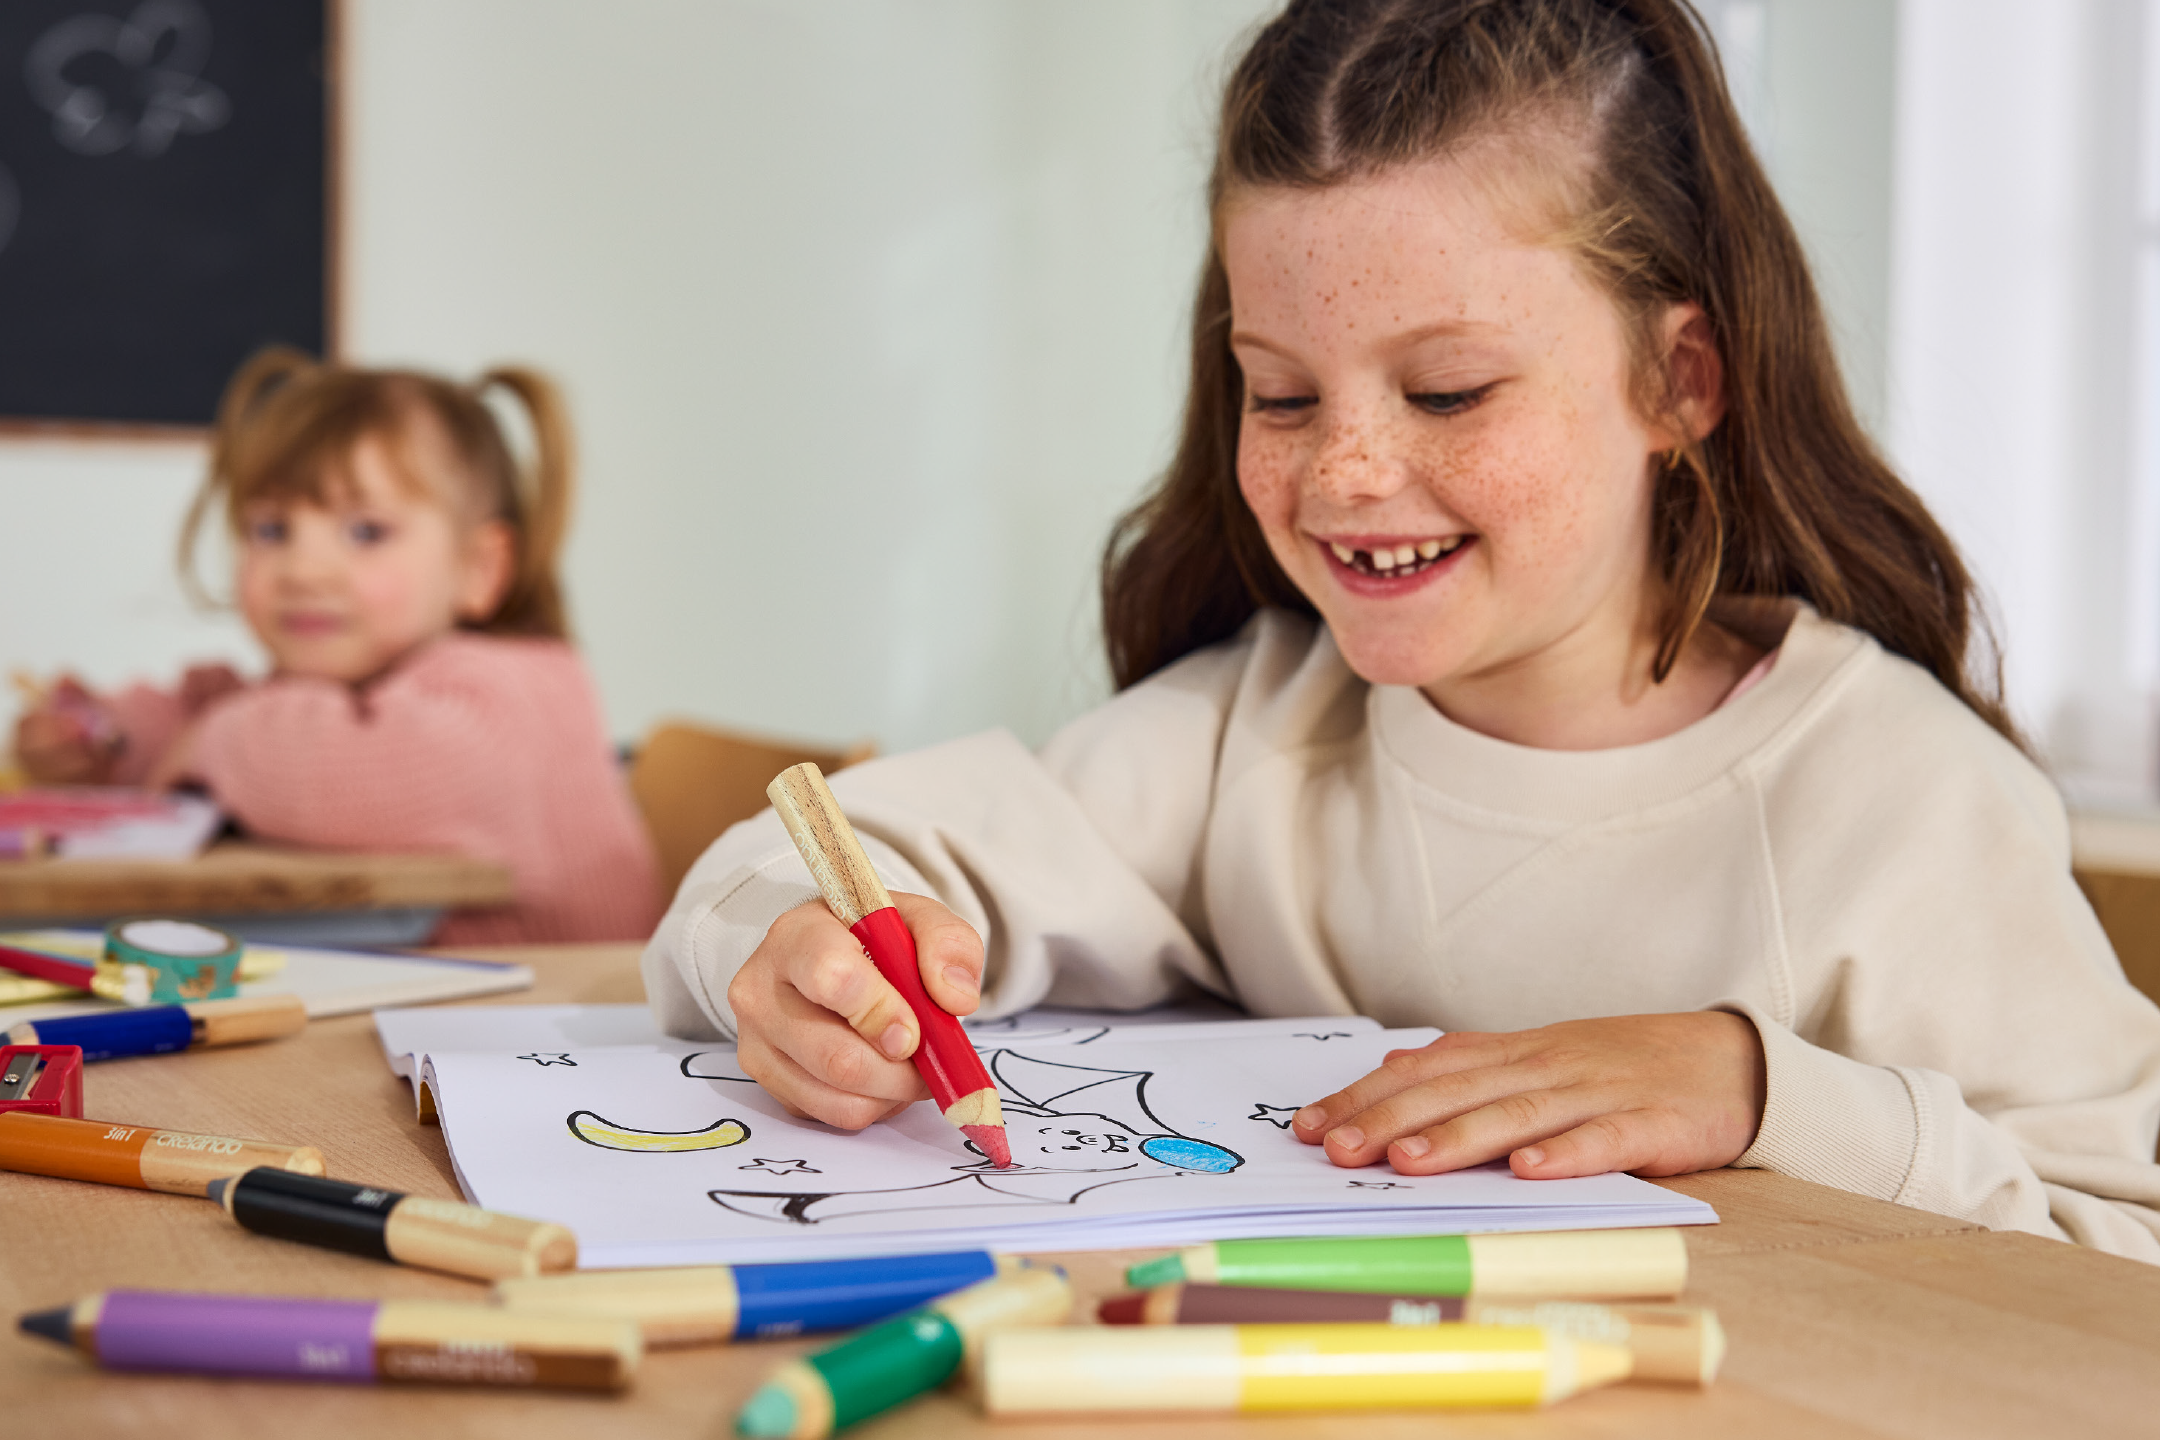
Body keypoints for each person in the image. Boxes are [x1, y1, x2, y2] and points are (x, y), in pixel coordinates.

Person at [644, 0, 2160, 1258]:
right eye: (1282, 392)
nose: (1343, 474)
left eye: (1449, 391)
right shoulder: (1252, 732)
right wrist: (789, 957)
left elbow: (2122, 1240)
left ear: (1681, 378)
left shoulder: (1896, 795)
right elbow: (835, 855)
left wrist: (1767, 1095)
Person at [13, 349, 662, 944]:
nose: (304, 568)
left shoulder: (512, 693)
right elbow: (211, 710)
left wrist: (210, 741)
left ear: (478, 570)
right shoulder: (345, 686)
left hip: (565, 1038)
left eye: (364, 531)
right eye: (271, 529)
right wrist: (108, 740)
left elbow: (331, 761)